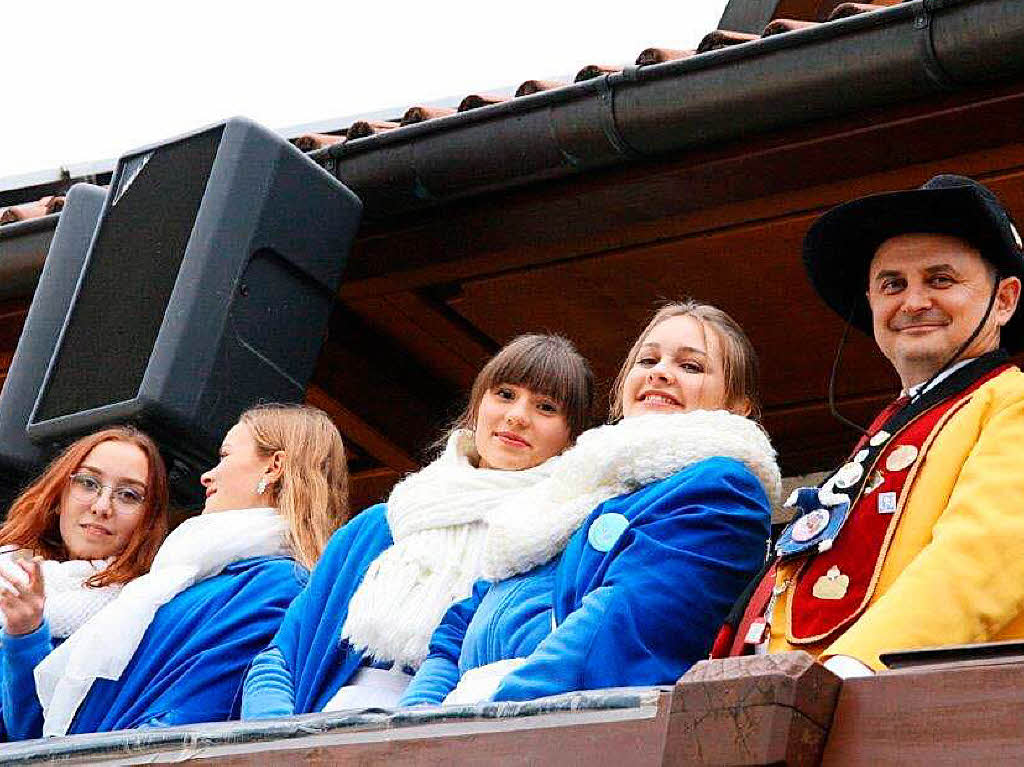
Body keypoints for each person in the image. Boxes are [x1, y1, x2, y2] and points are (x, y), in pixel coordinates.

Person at [400, 301, 780, 706]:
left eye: (691, 367)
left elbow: (612, 633)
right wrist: (415, 718)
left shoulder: (721, 487)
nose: (660, 372)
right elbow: (456, 628)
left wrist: (479, 722)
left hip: (554, 729)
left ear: (737, 407)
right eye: (647, 359)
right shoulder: (572, 489)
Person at [723, 174, 1024, 678]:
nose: (912, 302)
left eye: (941, 279)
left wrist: (845, 672)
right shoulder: (889, 429)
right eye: (892, 284)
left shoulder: (1012, 400)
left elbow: (978, 563)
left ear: (1005, 300)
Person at [241, 334, 594, 718]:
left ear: (569, 437)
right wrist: (276, 736)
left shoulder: (557, 539)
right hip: (321, 731)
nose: (517, 416)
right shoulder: (380, 525)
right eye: (505, 394)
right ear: (477, 405)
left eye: (545, 407)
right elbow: (278, 660)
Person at [24, 404, 347, 737]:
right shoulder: (182, 579)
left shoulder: (279, 584)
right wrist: (24, 633)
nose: (208, 475)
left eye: (225, 456)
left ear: (274, 466)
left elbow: (191, 722)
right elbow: (40, 725)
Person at [0, 426, 169, 741]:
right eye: (89, 483)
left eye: (129, 495)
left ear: (147, 521)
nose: (102, 506)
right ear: (58, 495)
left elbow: (38, 738)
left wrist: (26, 636)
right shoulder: (7, 565)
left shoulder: (139, 615)